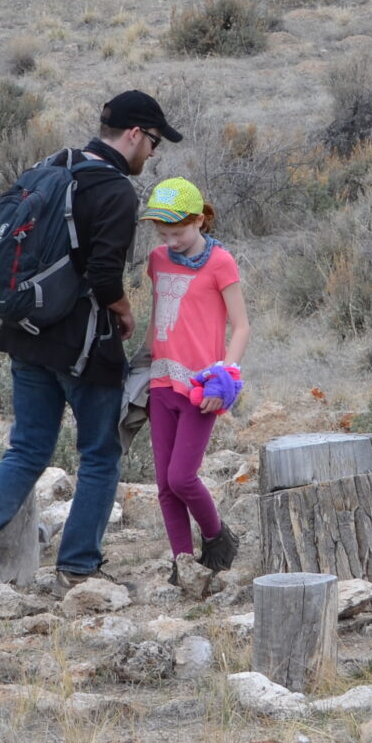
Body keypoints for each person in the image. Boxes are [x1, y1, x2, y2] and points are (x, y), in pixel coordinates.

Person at [0, 90, 180, 588]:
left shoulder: (52, 166)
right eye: (154, 142)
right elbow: (104, 275)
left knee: (28, 448)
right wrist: (124, 310)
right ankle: (78, 566)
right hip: (83, 346)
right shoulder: (115, 191)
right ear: (134, 134)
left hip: (26, 334)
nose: (153, 153)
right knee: (100, 454)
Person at [138, 176, 247, 597]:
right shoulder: (157, 260)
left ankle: (218, 538)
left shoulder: (221, 262)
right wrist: (139, 363)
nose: (170, 242)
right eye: (163, 234)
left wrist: (226, 378)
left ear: (199, 220)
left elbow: (241, 326)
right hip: (161, 382)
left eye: (178, 233)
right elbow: (158, 317)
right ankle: (183, 563)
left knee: (182, 477)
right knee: (165, 485)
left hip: (202, 388)